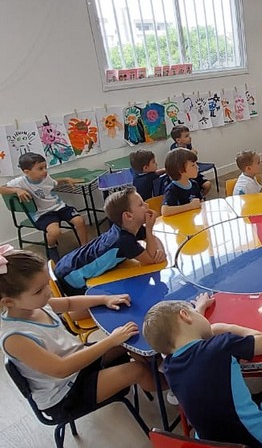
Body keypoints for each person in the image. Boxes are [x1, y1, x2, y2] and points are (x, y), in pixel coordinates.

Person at [0, 247, 157, 419]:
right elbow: (61, 369)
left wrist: (105, 299)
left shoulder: (36, 305)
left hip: (76, 363)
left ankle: (160, 370)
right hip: (63, 394)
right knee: (137, 370)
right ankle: (172, 388)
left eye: (47, 284)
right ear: (8, 302)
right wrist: (110, 340)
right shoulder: (14, 338)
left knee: (131, 340)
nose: (48, 291)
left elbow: (68, 303)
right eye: (39, 290)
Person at [142, 297, 262, 448]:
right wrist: (227, 328)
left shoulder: (168, 367)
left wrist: (199, 310)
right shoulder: (223, 344)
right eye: (194, 312)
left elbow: (182, 340)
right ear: (185, 315)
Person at [54, 187, 166, 293]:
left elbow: (154, 241)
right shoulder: (124, 240)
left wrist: (160, 250)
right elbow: (151, 259)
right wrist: (149, 229)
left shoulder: (128, 227)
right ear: (128, 216)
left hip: (67, 264)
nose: (147, 205)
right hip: (71, 278)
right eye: (141, 204)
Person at [0, 153, 88, 258]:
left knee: (79, 220)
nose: (45, 171)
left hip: (59, 207)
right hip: (42, 214)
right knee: (55, 232)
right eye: (40, 168)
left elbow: (54, 183)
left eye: (45, 167)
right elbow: (1, 189)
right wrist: (17, 190)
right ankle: (51, 246)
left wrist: (66, 179)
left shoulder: (46, 178)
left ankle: (85, 247)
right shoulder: (20, 181)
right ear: (27, 172)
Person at [161, 148, 204, 216]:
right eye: (193, 165)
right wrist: (190, 206)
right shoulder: (172, 189)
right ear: (181, 170)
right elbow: (165, 211)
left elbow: (201, 202)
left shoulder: (194, 184)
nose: (197, 167)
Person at [169, 126, 211, 196]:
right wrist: (191, 154)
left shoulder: (188, 145)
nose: (190, 137)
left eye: (189, 135)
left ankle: (201, 197)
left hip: (193, 170)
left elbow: (193, 159)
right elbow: (181, 162)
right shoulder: (175, 150)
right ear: (178, 140)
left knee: (207, 185)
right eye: (186, 136)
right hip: (185, 174)